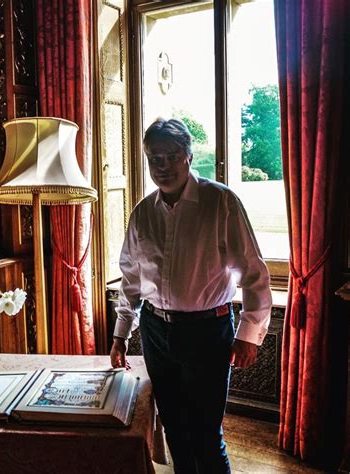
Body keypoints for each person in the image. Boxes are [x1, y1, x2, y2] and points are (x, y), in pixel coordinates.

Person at [110, 118, 272, 474]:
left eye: (171, 156)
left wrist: (248, 336)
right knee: (175, 431)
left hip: (207, 333)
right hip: (155, 331)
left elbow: (254, 273)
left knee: (205, 435)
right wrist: (121, 335)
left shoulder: (220, 202)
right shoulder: (141, 214)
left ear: (188, 155)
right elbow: (132, 281)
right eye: (155, 158)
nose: (162, 166)